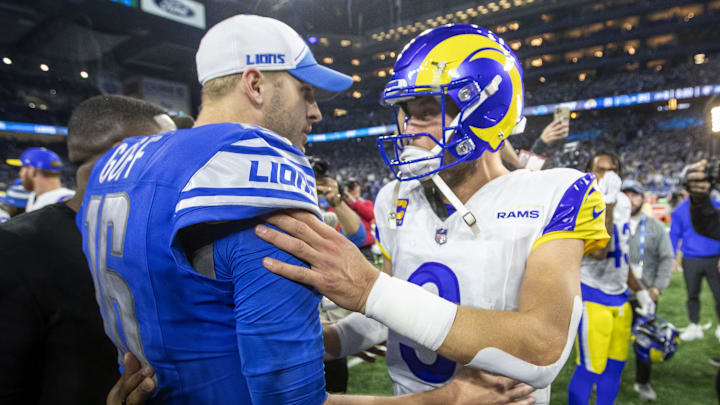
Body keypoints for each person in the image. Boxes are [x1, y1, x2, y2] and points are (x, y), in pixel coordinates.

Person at [80, 15, 535, 405]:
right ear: (255, 84)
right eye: (306, 93)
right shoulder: (249, 170)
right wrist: (446, 398)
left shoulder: (123, 163)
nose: (316, 113)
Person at [252, 23, 612, 405]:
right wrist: (330, 340)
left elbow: (543, 349)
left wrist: (369, 288)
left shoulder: (556, 193)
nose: (409, 130)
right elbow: (392, 307)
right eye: (406, 114)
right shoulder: (395, 198)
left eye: (427, 111)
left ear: (487, 109)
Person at [0, 95, 174, 405]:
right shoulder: (16, 247)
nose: (176, 165)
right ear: (124, 153)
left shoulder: (167, 239)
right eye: (165, 151)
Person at [568, 151, 656, 405]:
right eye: (600, 170)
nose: (607, 176)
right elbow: (598, 252)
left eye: (613, 170)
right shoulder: (582, 201)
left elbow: (621, 254)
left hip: (620, 296)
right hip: (593, 295)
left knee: (615, 367)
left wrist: (638, 290)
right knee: (589, 369)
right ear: (589, 173)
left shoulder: (624, 203)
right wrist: (606, 203)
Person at [622, 179, 674, 401]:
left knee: (646, 341)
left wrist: (657, 287)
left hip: (646, 296)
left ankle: (643, 382)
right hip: (617, 294)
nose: (630, 199)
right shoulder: (611, 223)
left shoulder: (655, 227)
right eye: (626, 195)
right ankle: (600, 377)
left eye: (635, 195)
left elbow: (667, 258)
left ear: (642, 198)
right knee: (609, 339)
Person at [669, 184, 720, 342]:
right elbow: (674, 234)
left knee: (719, 295)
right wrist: (671, 257)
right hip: (691, 259)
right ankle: (694, 325)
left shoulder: (717, 207)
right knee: (692, 295)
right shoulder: (679, 210)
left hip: (715, 259)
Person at [5, 147, 75, 211]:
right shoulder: (34, 196)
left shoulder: (67, 200)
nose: (20, 174)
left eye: (23, 168)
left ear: (32, 171)